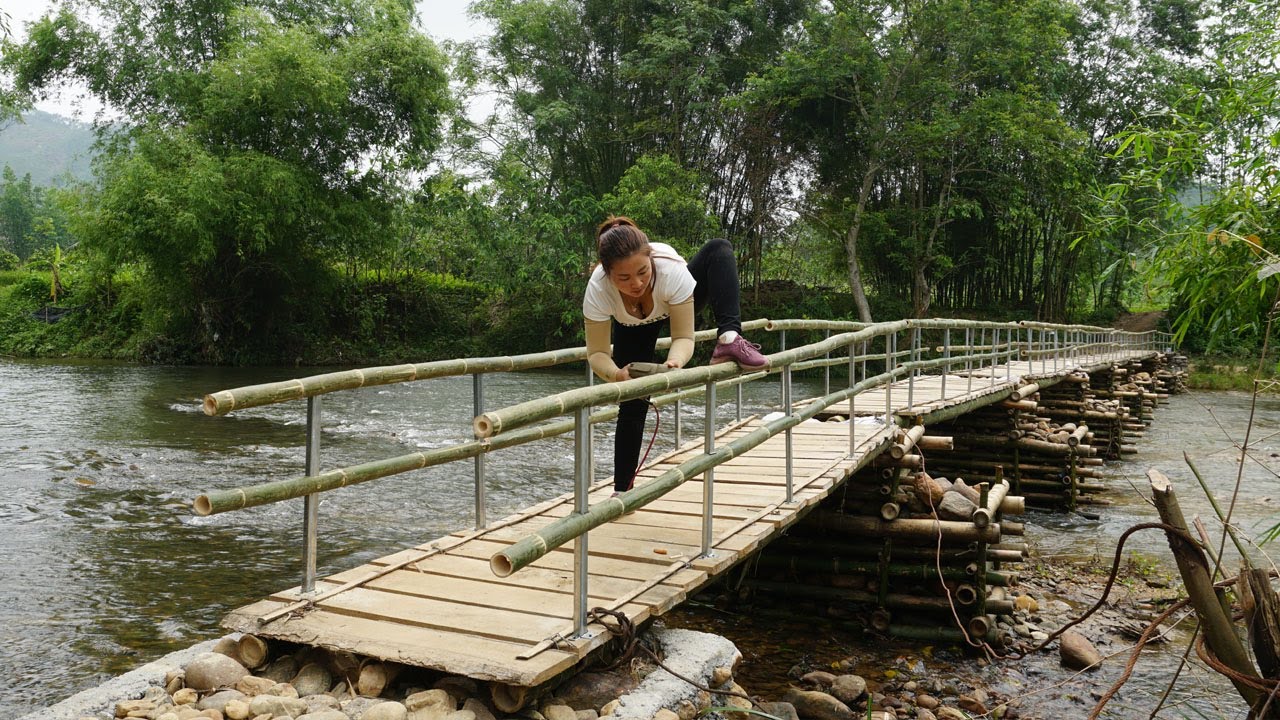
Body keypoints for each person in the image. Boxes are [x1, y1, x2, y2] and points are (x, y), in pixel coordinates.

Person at [583, 216, 768, 495]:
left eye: (643, 272)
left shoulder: (670, 269)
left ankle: (730, 337)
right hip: (632, 325)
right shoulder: (598, 289)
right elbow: (597, 353)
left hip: (673, 304)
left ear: (651, 260)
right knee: (632, 402)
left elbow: (683, 337)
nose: (637, 284)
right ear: (607, 274)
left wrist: (676, 361)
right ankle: (622, 491)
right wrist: (616, 374)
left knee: (719, 248)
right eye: (624, 278)